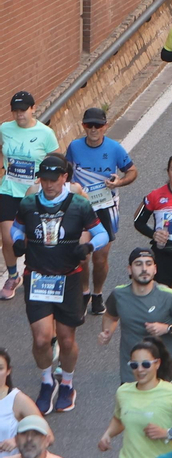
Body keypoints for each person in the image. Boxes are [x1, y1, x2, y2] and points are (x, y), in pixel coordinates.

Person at [17, 154, 105, 414]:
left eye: (54, 180)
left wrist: (88, 246)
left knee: (66, 341)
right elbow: (17, 229)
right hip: (37, 278)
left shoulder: (79, 204)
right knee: (42, 338)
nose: (49, 185)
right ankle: (46, 382)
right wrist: (18, 241)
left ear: (65, 178)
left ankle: (67, 383)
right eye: (44, 180)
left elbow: (101, 233)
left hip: (68, 278)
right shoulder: (28, 203)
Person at [66, 107, 138, 313]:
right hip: (82, 209)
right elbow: (67, 173)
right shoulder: (74, 147)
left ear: (105, 126)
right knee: (82, 254)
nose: (94, 129)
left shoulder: (115, 149)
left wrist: (120, 182)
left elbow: (132, 171)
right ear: (84, 127)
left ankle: (97, 294)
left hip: (107, 208)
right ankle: (84, 293)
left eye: (98, 125)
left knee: (100, 258)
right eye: (89, 125)